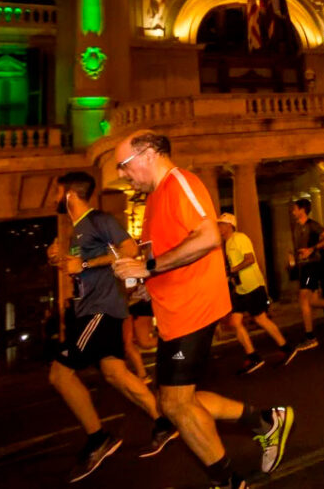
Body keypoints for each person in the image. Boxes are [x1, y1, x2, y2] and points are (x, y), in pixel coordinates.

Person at [110, 131, 293, 489]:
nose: (123, 174)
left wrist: (149, 268)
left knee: (176, 405)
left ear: (148, 154)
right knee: (178, 401)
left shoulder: (180, 182)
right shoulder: (154, 199)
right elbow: (163, 257)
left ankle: (228, 481)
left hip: (193, 308)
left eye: (124, 165)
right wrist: (143, 277)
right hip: (173, 311)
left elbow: (208, 237)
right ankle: (267, 421)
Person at [45, 170, 177, 482]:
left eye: (55, 192)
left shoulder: (98, 220)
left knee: (60, 374)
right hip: (91, 310)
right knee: (115, 373)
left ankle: (98, 439)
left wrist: (85, 263)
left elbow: (130, 250)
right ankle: (163, 422)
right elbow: (81, 269)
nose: (53, 198)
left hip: (100, 311)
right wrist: (62, 260)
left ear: (69, 194)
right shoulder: (76, 230)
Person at [217, 213, 288, 373]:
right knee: (235, 322)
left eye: (221, 224)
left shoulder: (239, 238)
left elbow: (250, 259)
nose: (218, 227)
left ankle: (285, 347)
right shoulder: (228, 242)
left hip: (253, 286)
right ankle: (253, 356)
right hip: (241, 289)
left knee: (261, 319)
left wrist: (230, 271)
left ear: (229, 225)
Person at [288, 199, 324, 355]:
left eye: (295, 209)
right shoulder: (297, 226)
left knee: (303, 297)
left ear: (302, 210)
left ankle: (310, 337)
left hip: (312, 264)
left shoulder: (312, 224)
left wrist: (312, 249)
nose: (293, 211)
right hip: (303, 265)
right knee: (312, 301)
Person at [123, 281, 156, 383]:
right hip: (126, 304)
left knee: (144, 342)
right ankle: (142, 375)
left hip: (141, 302)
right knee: (128, 343)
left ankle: (176, 341)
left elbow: (132, 285)